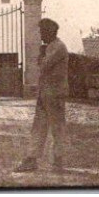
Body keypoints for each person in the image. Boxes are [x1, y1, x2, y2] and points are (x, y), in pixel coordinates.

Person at [14, 18, 69, 173]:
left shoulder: (58, 47)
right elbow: (42, 66)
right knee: (38, 127)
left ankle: (58, 162)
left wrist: (41, 55)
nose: (41, 35)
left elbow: (44, 65)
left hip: (55, 94)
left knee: (57, 129)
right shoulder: (51, 46)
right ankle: (31, 160)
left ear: (51, 31)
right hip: (45, 93)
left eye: (43, 32)